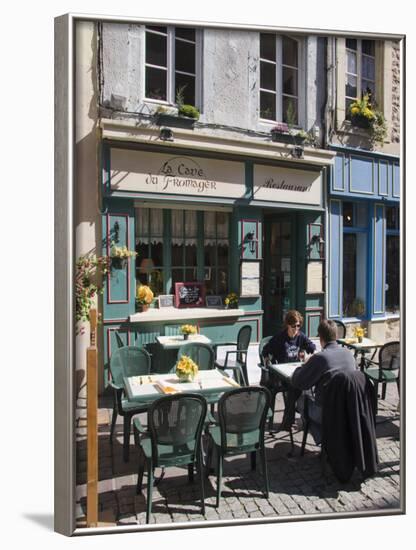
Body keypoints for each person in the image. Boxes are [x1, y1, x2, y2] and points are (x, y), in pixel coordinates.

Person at [291, 318, 357, 441]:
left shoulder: (321, 358)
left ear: (320, 338)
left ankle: (324, 439)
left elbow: (298, 382)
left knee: (300, 400)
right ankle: (332, 440)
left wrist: (304, 365)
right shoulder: (349, 354)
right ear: (336, 335)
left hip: (326, 411)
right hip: (348, 409)